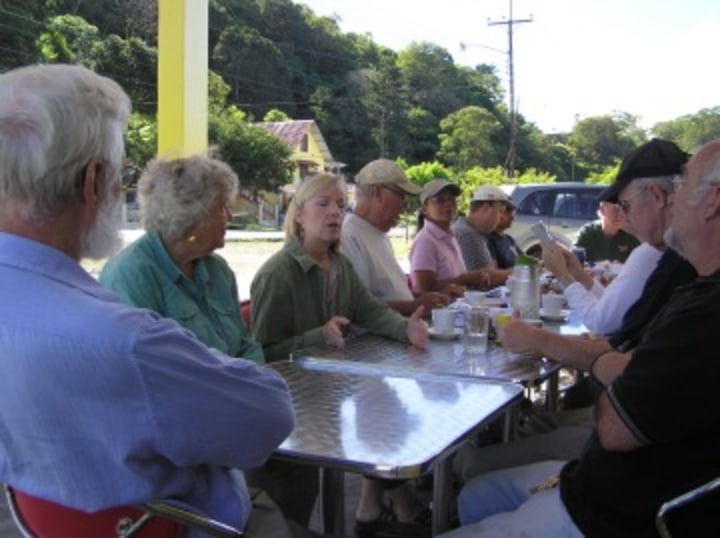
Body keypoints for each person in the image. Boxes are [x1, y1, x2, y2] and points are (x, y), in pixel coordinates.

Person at [0, 64, 298, 537]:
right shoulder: (124, 339)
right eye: (120, 174)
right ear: (94, 181)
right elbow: (270, 417)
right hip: (178, 524)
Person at [442, 140, 720, 538]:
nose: (673, 199)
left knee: (477, 480)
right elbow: (623, 353)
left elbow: (612, 422)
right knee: (474, 498)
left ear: (712, 203)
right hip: (599, 482)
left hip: (608, 512)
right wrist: (618, 365)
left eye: (684, 186)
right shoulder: (693, 285)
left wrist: (608, 366)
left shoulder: (705, 312)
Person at [251, 172, 431, 537]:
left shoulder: (342, 266)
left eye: (340, 205)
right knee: (292, 504)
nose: (335, 213)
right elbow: (260, 356)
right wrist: (316, 336)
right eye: (323, 204)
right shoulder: (277, 275)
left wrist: (405, 328)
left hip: (328, 400)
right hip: (287, 415)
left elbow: (371, 311)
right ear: (298, 214)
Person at [99, 155, 263, 364]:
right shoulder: (130, 275)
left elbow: (244, 345)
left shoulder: (218, 270)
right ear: (191, 215)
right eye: (221, 207)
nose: (229, 217)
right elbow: (148, 367)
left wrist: (257, 381)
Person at [341, 158, 450, 314]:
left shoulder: (378, 233)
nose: (404, 206)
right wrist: (414, 306)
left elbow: (391, 292)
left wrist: (425, 298)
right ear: (378, 193)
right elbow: (358, 307)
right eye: (401, 196)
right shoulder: (349, 235)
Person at [409, 179, 494, 295]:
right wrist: (467, 278)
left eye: (452, 199)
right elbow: (422, 289)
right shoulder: (425, 240)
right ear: (425, 209)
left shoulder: (450, 235)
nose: (448, 204)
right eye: (440, 200)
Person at [451, 185, 512, 286]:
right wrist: (523, 272)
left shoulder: (473, 231)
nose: (501, 217)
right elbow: (487, 278)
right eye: (500, 211)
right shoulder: (468, 234)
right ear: (486, 208)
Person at [574, 200, 640, 263]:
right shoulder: (587, 233)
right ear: (602, 210)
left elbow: (640, 264)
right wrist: (594, 266)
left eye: (624, 210)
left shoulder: (631, 235)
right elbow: (575, 262)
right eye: (616, 210)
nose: (620, 215)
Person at [486, 198, 522, 269]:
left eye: (513, 212)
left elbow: (524, 260)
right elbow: (493, 272)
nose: (512, 216)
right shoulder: (488, 240)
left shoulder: (509, 239)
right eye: (507, 211)